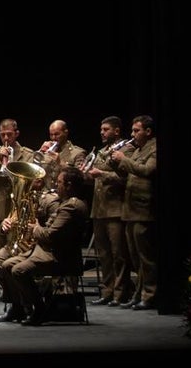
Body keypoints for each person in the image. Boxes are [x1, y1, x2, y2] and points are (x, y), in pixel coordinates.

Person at [1, 166, 90, 326]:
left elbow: (50, 235)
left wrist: (34, 228)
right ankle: (23, 307)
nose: (56, 184)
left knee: (19, 270)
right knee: (8, 265)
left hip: (61, 257)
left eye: (60, 182)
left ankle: (40, 309)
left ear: (69, 185)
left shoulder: (71, 207)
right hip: (48, 251)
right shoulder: (66, 203)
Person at [0, 170, 60, 321]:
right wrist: (5, 224)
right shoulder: (23, 197)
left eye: (30, 179)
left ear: (40, 181)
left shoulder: (50, 200)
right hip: (19, 244)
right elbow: (13, 218)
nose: (26, 183)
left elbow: (53, 230)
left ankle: (25, 304)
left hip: (37, 247)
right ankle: (18, 303)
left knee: (11, 266)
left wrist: (36, 228)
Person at [84, 115, 134, 306]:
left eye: (106, 129)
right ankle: (107, 291)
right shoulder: (102, 151)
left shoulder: (126, 149)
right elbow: (93, 178)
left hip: (115, 208)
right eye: (101, 129)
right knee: (103, 254)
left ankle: (120, 293)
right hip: (99, 208)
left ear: (116, 131)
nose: (102, 132)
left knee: (118, 253)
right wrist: (85, 174)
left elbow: (126, 177)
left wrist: (101, 173)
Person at [111, 114, 157, 310]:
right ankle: (139, 293)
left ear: (148, 131)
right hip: (130, 208)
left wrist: (123, 158)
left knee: (146, 257)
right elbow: (125, 173)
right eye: (132, 130)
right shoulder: (137, 149)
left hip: (143, 209)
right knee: (135, 257)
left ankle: (151, 294)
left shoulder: (154, 148)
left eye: (136, 130)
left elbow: (147, 171)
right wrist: (115, 161)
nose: (132, 134)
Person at [0, 119, 36, 259]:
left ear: (16, 133)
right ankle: (3, 280)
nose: (6, 138)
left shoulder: (27, 154)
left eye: (9, 134)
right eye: (2, 134)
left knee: (19, 249)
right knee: (0, 250)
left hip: (19, 207)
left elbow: (31, 178)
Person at [34, 119, 88, 189]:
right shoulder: (47, 150)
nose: (53, 138)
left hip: (64, 197)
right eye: (51, 135)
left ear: (66, 132)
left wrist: (60, 163)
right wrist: (40, 151)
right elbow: (33, 170)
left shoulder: (78, 153)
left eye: (57, 134)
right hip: (44, 196)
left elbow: (81, 178)